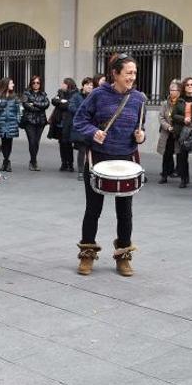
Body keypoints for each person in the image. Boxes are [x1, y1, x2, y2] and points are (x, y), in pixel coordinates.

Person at [73, 53, 145, 277]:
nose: (132, 77)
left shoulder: (139, 99)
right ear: (115, 73)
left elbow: (140, 129)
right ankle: (87, 253)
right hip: (99, 159)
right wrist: (93, 132)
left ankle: (123, 256)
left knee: (125, 212)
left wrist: (141, 136)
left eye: (134, 73)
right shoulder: (97, 95)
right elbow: (79, 121)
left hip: (125, 160)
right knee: (93, 209)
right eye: (128, 73)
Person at [172, 76, 192, 189]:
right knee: (182, 158)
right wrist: (183, 119)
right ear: (184, 87)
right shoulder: (180, 100)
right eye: (187, 85)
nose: (190, 87)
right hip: (183, 132)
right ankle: (184, 179)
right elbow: (173, 115)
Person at [21, 75, 49, 171]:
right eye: (34, 82)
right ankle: (33, 161)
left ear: (40, 84)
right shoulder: (26, 93)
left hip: (40, 121)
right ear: (31, 83)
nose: (36, 84)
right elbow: (26, 105)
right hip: (29, 121)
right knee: (32, 142)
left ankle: (33, 161)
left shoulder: (43, 94)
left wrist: (35, 103)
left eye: (38, 83)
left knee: (36, 142)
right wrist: (39, 107)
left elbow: (46, 104)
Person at [0, 77, 19, 173]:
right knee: (4, 142)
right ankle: (6, 160)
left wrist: (17, 119)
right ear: (6, 84)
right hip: (2, 122)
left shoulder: (14, 96)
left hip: (12, 122)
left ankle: (6, 161)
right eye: (11, 83)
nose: (13, 85)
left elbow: (18, 110)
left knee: (9, 142)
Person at [69, 77, 93, 180]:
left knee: (91, 151)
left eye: (91, 85)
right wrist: (83, 112)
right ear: (83, 85)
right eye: (87, 84)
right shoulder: (76, 96)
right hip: (81, 127)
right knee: (82, 150)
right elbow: (71, 107)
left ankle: (91, 170)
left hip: (92, 126)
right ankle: (81, 171)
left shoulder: (94, 96)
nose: (89, 87)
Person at [157, 80, 180, 184]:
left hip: (178, 133)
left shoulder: (181, 103)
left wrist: (176, 127)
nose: (171, 91)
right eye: (170, 89)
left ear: (179, 91)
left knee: (180, 154)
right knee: (166, 154)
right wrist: (168, 127)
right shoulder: (165, 103)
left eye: (173, 89)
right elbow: (161, 117)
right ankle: (164, 175)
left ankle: (182, 175)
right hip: (167, 133)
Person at [52, 78, 78, 172]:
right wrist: (61, 101)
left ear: (68, 84)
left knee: (68, 144)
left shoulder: (75, 94)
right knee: (61, 143)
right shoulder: (60, 92)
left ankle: (70, 164)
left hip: (69, 122)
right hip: (60, 122)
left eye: (63, 83)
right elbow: (54, 101)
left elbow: (68, 106)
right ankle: (63, 163)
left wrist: (62, 102)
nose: (62, 85)